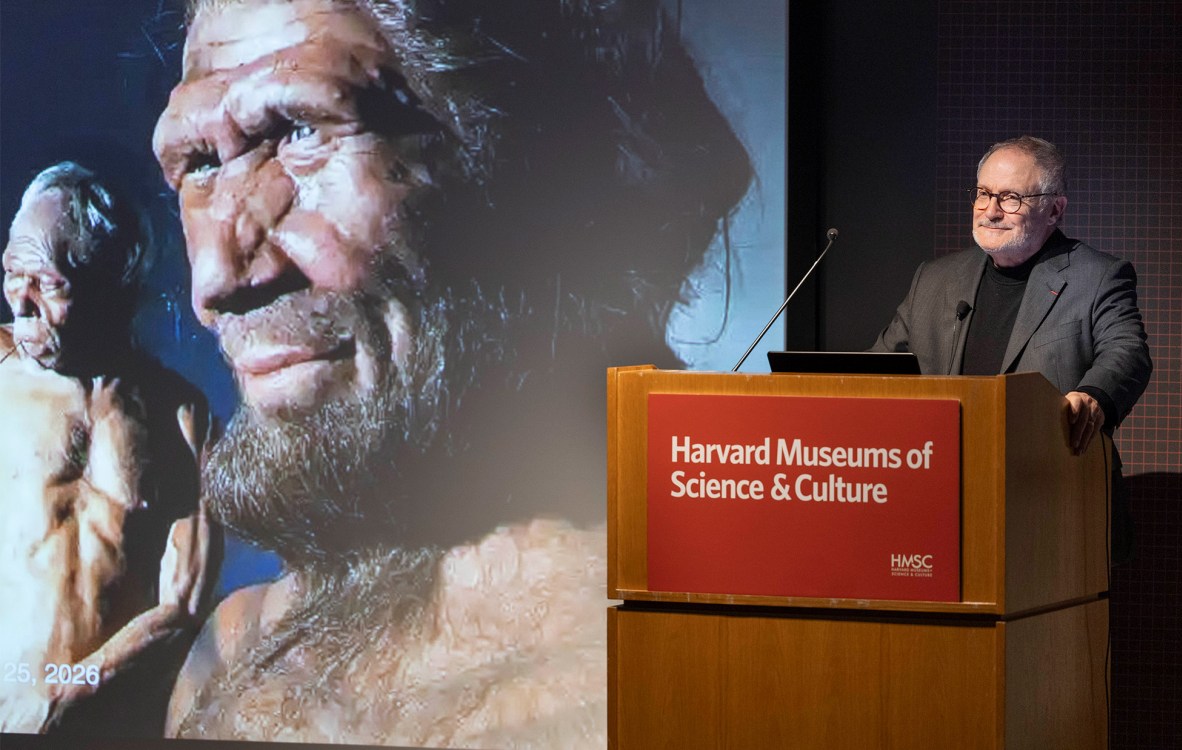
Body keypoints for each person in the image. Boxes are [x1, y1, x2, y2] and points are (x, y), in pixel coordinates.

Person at [152, 0, 750, 746]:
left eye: (300, 132)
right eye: (200, 163)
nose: (213, 281)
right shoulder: (231, 659)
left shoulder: (705, 675)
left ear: (540, 172)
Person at [0, 163, 219, 735]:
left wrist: (65, 697)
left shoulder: (180, 413)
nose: (19, 301)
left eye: (45, 282)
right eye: (10, 274)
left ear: (107, 280)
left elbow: (182, 607)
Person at [871, 135, 1152, 561]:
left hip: (1050, 500)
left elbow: (1126, 351)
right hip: (939, 500)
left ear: (1054, 209)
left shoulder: (1098, 277)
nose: (991, 210)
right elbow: (877, 368)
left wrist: (1094, 396)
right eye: (983, 194)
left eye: (1010, 198)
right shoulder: (934, 279)